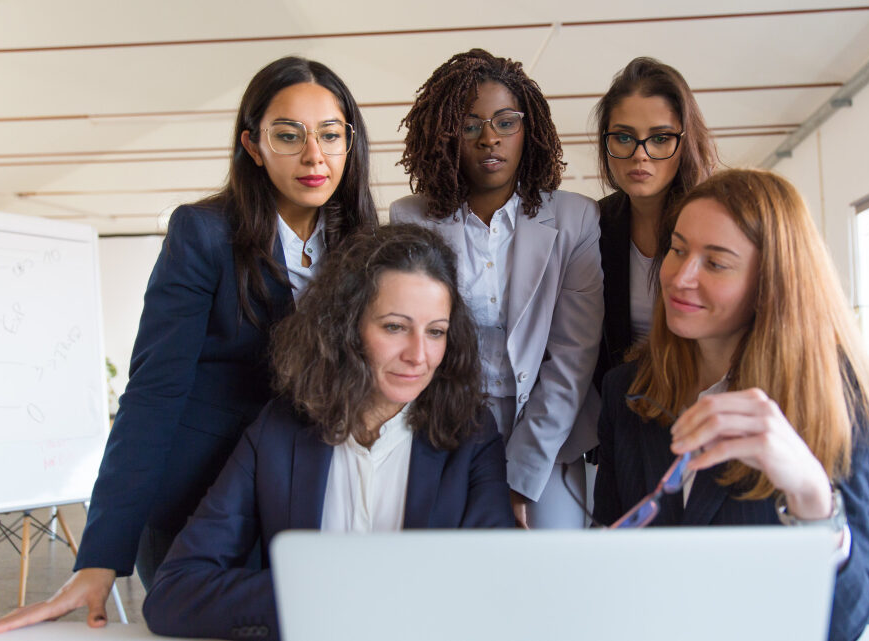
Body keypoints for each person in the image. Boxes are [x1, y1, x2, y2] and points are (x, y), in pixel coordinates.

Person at [0, 56, 377, 633]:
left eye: (330, 134)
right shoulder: (204, 233)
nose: (314, 156)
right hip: (197, 505)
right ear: (253, 145)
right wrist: (100, 555)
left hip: (312, 500)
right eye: (288, 135)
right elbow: (153, 393)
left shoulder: (367, 245)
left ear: (350, 141)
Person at [142, 224, 514, 640]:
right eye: (394, 327)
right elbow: (172, 594)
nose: (418, 356)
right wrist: (322, 594)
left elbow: (494, 588)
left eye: (436, 332)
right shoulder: (279, 431)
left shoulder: (473, 435)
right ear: (348, 325)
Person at [593, 169, 869, 641]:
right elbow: (612, 558)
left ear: (771, 284)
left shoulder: (830, 400)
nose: (680, 278)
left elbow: (844, 624)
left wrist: (811, 495)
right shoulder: (626, 391)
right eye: (677, 250)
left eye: (715, 263)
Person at [390, 48, 604, 529]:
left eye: (506, 122)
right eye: (470, 126)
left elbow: (572, 356)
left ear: (529, 130)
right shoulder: (410, 218)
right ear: (447, 137)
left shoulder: (575, 219)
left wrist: (520, 475)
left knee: (553, 566)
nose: (490, 138)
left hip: (549, 424)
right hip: (447, 420)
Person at [593, 57, 718, 391]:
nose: (640, 154)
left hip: (708, 402)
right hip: (626, 412)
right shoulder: (594, 225)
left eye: (660, 138)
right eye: (624, 137)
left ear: (685, 142)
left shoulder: (719, 222)